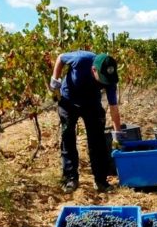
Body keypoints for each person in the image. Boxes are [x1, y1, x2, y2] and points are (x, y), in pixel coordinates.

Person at [49, 51, 125, 193]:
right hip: (69, 100)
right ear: (93, 70)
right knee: (68, 137)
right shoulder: (80, 59)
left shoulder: (110, 79)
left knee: (98, 140)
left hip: (92, 103)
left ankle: (101, 180)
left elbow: (113, 107)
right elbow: (60, 58)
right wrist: (55, 79)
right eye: (102, 79)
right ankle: (70, 178)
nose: (105, 83)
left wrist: (117, 133)